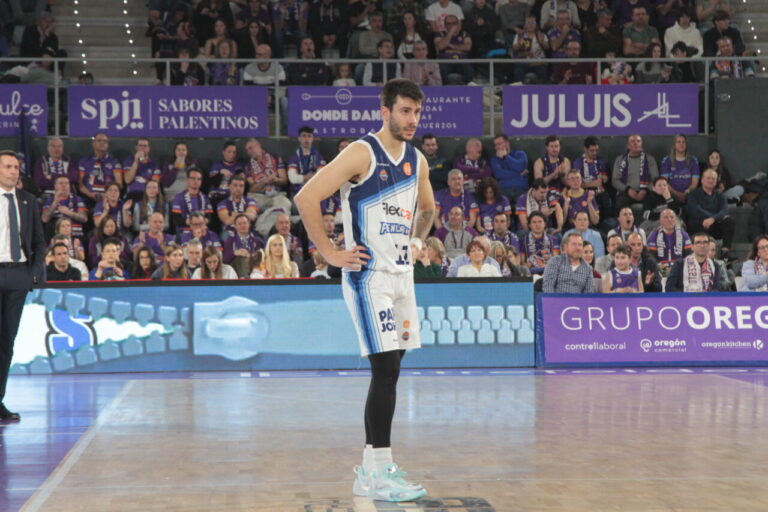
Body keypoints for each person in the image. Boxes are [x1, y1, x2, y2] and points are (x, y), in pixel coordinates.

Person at [294, 79, 432, 502]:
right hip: (367, 276)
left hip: (402, 278)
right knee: (385, 369)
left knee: (393, 370)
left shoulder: (418, 160)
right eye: (405, 111)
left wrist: (418, 239)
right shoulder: (361, 152)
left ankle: (373, 469)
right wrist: (331, 253)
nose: (412, 120)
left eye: (417, 113)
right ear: (385, 110)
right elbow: (306, 197)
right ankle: (378, 470)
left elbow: (426, 210)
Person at [0, 152, 47, 421]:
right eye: (7, 167)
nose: (13, 171)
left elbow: (39, 241)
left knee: (7, 342)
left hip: (18, 276)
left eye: (16, 167)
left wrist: (34, 269)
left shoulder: (28, 201)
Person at [685, 168, 735, 260]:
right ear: (702, 180)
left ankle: (725, 253)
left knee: (729, 221)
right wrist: (711, 218)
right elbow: (695, 210)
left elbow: (724, 210)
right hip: (699, 224)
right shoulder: (694, 194)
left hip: (714, 224)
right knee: (700, 223)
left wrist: (713, 219)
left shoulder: (720, 195)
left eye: (713, 179)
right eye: (708, 178)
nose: (711, 180)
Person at [612, 134, 659, 214]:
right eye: (632, 141)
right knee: (619, 205)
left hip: (646, 192)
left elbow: (656, 179)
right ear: (628, 146)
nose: (636, 143)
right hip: (626, 192)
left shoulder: (649, 159)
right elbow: (615, 180)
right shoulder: (620, 160)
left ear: (641, 144)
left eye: (638, 141)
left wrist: (646, 190)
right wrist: (628, 190)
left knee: (655, 204)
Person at [77, 133, 123, 204]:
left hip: (109, 198)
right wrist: (91, 194)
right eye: (99, 140)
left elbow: (119, 184)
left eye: (105, 141)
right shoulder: (84, 161)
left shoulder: (114, 162)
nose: (102, 143)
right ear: (93, 143)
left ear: (108, 145)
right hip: (88, 198)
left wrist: (109, 195)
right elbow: (80, 185)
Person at [647, 208, 691, 275]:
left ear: (675, 219)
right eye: (666, 217)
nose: (669, 220)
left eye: (672, 217)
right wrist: (664, 270)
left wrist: (677, 269)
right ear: (660, 221)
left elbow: (688, 256)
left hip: (680, 270)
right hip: (661, 271)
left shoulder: (684, 235)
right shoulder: (654, 235)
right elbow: (652, 257)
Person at [287, 126, 327, 198]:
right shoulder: (294, 157)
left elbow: (321, 176)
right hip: (297, 192)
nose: (306, 139)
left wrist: (302, 178)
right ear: (299, 138)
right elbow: (293, 179)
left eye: (309, 136)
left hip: (314, 191)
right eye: (304, 136)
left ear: (312, 139)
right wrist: (311, 176)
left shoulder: (318, 156)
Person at [171, 167, 214, 233]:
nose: (196, 181)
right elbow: (176, 220)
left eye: (199, 179)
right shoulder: (178, 198)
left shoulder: (205, 198)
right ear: (187, 180)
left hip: (202, 231)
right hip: (185, 231)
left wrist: (201, 223)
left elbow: (209, 218)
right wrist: (193, 222)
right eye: (193, 178)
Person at [660, 134, 700, 203]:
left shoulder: (693, 160)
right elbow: (664, 182)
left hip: (689, 193)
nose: (681, 144)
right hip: (671, 193)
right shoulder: (666, 160)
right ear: (674, 145)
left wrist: (686, 192)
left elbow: (695, 182)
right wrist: (676, 193)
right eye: (678, 142)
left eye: (683, 142)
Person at [490, 134, 529, 205]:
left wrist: (506, 157)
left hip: (520, 190)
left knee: (524, 204)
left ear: (507, 143)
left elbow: (520, 167)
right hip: (503, 190)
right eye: (495, 145)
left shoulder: (520, 154)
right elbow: (499, 175)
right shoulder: (495, 159)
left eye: (499, 144)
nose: (497, 147)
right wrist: (518, 174)